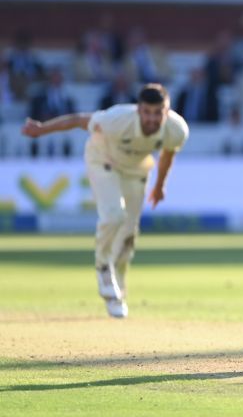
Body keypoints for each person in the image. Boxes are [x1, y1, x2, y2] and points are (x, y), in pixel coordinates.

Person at [21, 84, 189, 318]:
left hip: (136, 170)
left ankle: (116, 292)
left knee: (128, 236)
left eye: (157, 113)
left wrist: (160, 186)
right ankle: (102, 267)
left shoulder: (176, 129)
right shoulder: (117, 119)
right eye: (147, 112)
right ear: (138, 109)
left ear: (167, 111)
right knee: (114, 216)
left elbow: (168, 153)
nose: (152, 119)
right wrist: (41, 129)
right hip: (103, 160)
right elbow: (80, 120)